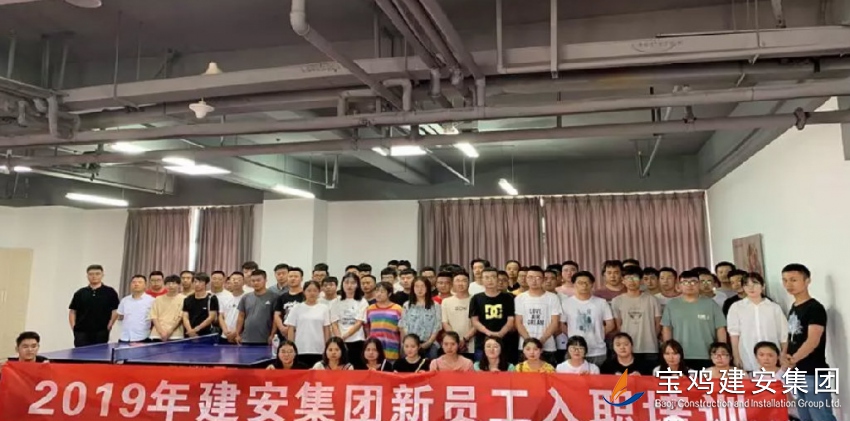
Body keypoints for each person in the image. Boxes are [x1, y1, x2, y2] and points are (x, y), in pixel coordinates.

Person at [782, 263, 837, 421]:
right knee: (805, 416)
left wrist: (793, 359)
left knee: (821, 416)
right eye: (785, 280)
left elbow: (813, 340)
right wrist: (784, 356)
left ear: (807, 281)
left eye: (793, 280)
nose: (788, 284)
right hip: (796, 373)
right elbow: (791, 336)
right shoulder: (794, 307)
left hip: (813, 372)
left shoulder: (815, 308)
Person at [661, 270, 726, 370]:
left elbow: (720, 328)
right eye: (685, 282)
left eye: (693, 282)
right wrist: (668, 352)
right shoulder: (671, 305)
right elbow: (667, 329)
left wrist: (722, 351)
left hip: (707, 355)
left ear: (699, 284)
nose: (689, 285)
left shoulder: (711, 304)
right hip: (679, 356)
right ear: (679, 285)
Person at [727, 272, 788, 372]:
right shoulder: (736, 307)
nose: (751, 288)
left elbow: (783, 335)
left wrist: (783, 354)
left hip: (772, 358)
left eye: (755, 284)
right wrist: (736, 356)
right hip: (747, 355)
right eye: (747, 285)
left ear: (763, 286)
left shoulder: (774, 307)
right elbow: (734, 334)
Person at [611, 265, 661, 366]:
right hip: (627, 348)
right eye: (628, 278)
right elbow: (619, 325)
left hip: (649, 348)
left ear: (641, 280)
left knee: (650, 375)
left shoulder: (652, 300)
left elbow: (658, 324)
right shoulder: (617, 301)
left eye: (635, 278)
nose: (632, 281)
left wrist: (650, 336)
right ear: (623, 280)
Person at [561, 271, 614, 366]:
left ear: (592, 285)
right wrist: (571, 334)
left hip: (598, 351)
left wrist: (599, 333)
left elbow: (610, 324)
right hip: (574, 350)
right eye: (580, 283)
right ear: (574, 284)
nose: (584, 286)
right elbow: (561, 324)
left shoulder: (601, 302)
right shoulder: (566, 303)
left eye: (587, 283)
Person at [515, 265, 562, 365]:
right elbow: (518, 323)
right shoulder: (520, 298)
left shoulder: (552, 298)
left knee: (547, 373)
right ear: (526, 279)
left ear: (543, 279)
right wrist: (529, 342)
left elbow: (554, 322)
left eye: (537, 277)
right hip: (525, 347)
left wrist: (541, 341)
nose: (534, 281)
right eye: (530, 277)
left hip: (548, 346)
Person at [470, 267, 516, 363]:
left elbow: (511, 320)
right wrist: (489, 333)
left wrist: (500, 334)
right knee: (482, 369)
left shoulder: (508, 298)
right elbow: (475, 321)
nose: (490, 280)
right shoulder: (476, 298)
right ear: (482, 280)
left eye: (493, 277)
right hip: (482, 342)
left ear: (497, 279)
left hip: (505, 342)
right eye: (486, 277)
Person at [68, 264, 120, 347]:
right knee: (80, 353)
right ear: (87, 276)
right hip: (81, 331)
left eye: (97, 274)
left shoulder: (110, 292)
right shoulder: (80, 293)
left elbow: (115, 310)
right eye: (91, 274)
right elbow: (73, 311)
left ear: (102, 275)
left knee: (99, 353)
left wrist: (110, 324)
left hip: (101, 331)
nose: (94, 276)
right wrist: (74, 327)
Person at [285, 280, 331, 367]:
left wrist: (327, 347)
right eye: (309, 290)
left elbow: (326, 329)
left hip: (319, 349)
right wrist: (290, 347)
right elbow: (291, 329)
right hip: (300, 348)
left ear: (319, 292)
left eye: (315, 291)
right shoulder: (297, 308)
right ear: (304, 292)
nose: (312, 293)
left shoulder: (324, 308)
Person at [331, 272, 368, 366]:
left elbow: (359, 323)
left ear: (357, 285)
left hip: (357, 340)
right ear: (342, 284)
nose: (349, 285)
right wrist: (339, 339)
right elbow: (334, 323)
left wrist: (345, 336)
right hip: (339, 341)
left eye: (353, 283)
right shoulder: (335, 302)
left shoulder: (362, 301)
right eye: (346, 282)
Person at [399, 277, 442, 358]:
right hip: (410, 344)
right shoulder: (407, 305)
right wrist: (406, 343)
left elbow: (437, 326)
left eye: (423, 286)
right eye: (417, 286)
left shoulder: (435, 305)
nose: (420, 289)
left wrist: (428, 343)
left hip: (430, 344)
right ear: (413, 288)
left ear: (427, 288)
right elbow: (403, 326)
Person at [236, 269, 277, 345]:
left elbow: (276, 318)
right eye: (253, 281)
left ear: (265, 280)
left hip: (265, 340)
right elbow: (241, 316)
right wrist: (237, 334)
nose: (255, 283)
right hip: (246, 339)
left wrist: (272, 335)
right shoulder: (245, 297)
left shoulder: (274, 297)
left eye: (258, 280)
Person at [365, 281, 404, 361]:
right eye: (376, 291)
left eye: (382, 292)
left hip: (391, 348)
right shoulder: (370, 309)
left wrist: (402, 346)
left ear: (389, 294)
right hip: (374, 351)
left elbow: (402, 330)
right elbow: (367, 327)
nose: (378, 294)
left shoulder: (398, 309)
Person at [441, 270, 476, 359]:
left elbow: (477, 323)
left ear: (469, 283)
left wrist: (465, 339)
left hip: (472, 344)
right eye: (457, 281)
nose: (460, 283)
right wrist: (455, 340)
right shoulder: (446, 302)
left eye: (464, 281)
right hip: (452, 344)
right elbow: (445, 323)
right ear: (453, 283)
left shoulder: (476, 300)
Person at [117, 275, 155, 343]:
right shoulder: (125, 300)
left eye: (140, 282)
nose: (136, 284)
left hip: (142, 337)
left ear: (145, 285)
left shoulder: (152, 300)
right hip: (125, 337)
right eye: (134, 282)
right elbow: (121, 315)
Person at [181, 273, 219, 337]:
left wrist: (196, 329)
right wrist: (190, 331)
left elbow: (211, 317)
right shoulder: (187, 299)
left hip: (205, 334)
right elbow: (185, 317)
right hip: (189, 333)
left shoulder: (212, 298)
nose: (197, 284)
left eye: (200, 282)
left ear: (206, 283)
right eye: (195, 282)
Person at [149, 275, 186, 341]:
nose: (171, 286)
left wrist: (170, 331)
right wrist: (161, 332)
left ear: (179, 285)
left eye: (173, 283)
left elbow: (180, 317)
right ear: (165, 285)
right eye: (168, 284)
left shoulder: (184, 299)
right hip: (156, 335)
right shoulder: (158, 299)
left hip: (176, 335)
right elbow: (153, 316)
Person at [273, 267, 305, 341]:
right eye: (290, 276)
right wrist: (282, 328)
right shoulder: (282, 297)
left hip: (301, 332)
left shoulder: (305, 296)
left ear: (301, 279)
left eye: (296, 276)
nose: (293, 279)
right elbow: (277, 315)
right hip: (284, 334)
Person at [219, 271, 245, 343]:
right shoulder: (224, 297)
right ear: (229, 282)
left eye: (239, 279)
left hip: (239, 336)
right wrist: (225, 330)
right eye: (233, 279)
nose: (236, 281)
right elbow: (221, 316)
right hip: (225, 335)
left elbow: (246, 317)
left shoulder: (247, 297)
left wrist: (236, 332)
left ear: (243, 282)